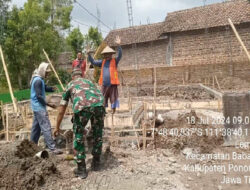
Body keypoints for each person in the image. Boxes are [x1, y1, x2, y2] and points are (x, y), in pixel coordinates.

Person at [54, 68, 105, 179]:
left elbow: (62, 109)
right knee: (98, 132)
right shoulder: (89, 82)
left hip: (82, 107)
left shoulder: (70, 84)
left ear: (73, 77)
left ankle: (81, 169)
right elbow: (96, 96)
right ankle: (96, 163)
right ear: (82, 76)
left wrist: (57, 127)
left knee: (78, 136)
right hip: (100, 105)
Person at [30, 62, 62, 154]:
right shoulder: (38, 80)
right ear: (42, 71)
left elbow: (43, 88)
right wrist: (49, 105)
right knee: (46, 127)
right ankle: (52, 148)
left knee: (36, 129)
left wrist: (51, 89)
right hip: (39, 107)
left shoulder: (38, 79)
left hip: (36, 107)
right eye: (46, 72)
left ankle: (32, 146)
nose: (47, 74)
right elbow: (39, 96)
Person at [87, 36, 122, 114]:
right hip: (104, 84)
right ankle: (104, 111)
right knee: (103, 98)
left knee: (113, 97)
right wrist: (89, 55)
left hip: (113, 84)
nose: (107, 56)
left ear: (111, 54)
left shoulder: (115, 61)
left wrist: (119, 46)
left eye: (109, 54)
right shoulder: (102, 62)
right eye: (106, 54)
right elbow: (93, 62)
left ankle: (113, 111)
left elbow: (120, 55)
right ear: (104, 55)